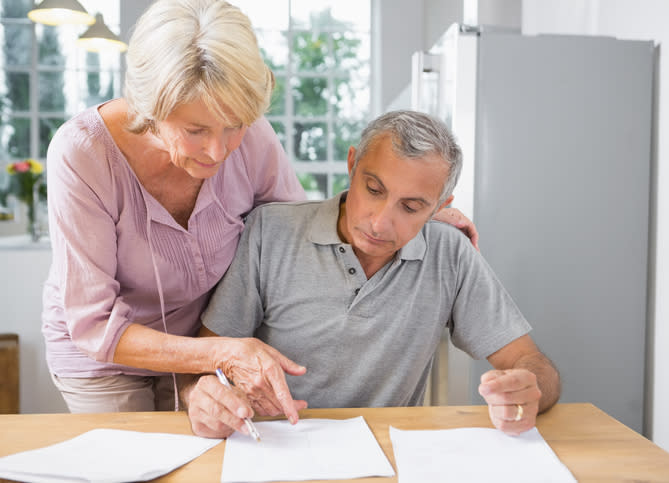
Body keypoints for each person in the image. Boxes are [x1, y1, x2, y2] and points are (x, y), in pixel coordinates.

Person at [41, 0, 477, 414]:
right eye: (196, 129)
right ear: (150, 106)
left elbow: (299, 233)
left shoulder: (251, 137)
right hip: (109, 359)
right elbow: (94, 325)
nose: (218, 150)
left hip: (209, 345)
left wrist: (410, 213)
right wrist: (224, 352)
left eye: (233, 126)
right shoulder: (83, 155)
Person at [181, 110, 561, 439]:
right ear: (352, 164)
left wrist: (530, 389)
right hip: (272, 447)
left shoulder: (451, 254)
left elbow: (532, 363)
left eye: (411, 207)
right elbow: (205, 362)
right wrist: (205, 398)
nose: (380, 223)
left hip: (390, 458)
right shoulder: (270, 231)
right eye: (373, 189)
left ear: (440, 207)